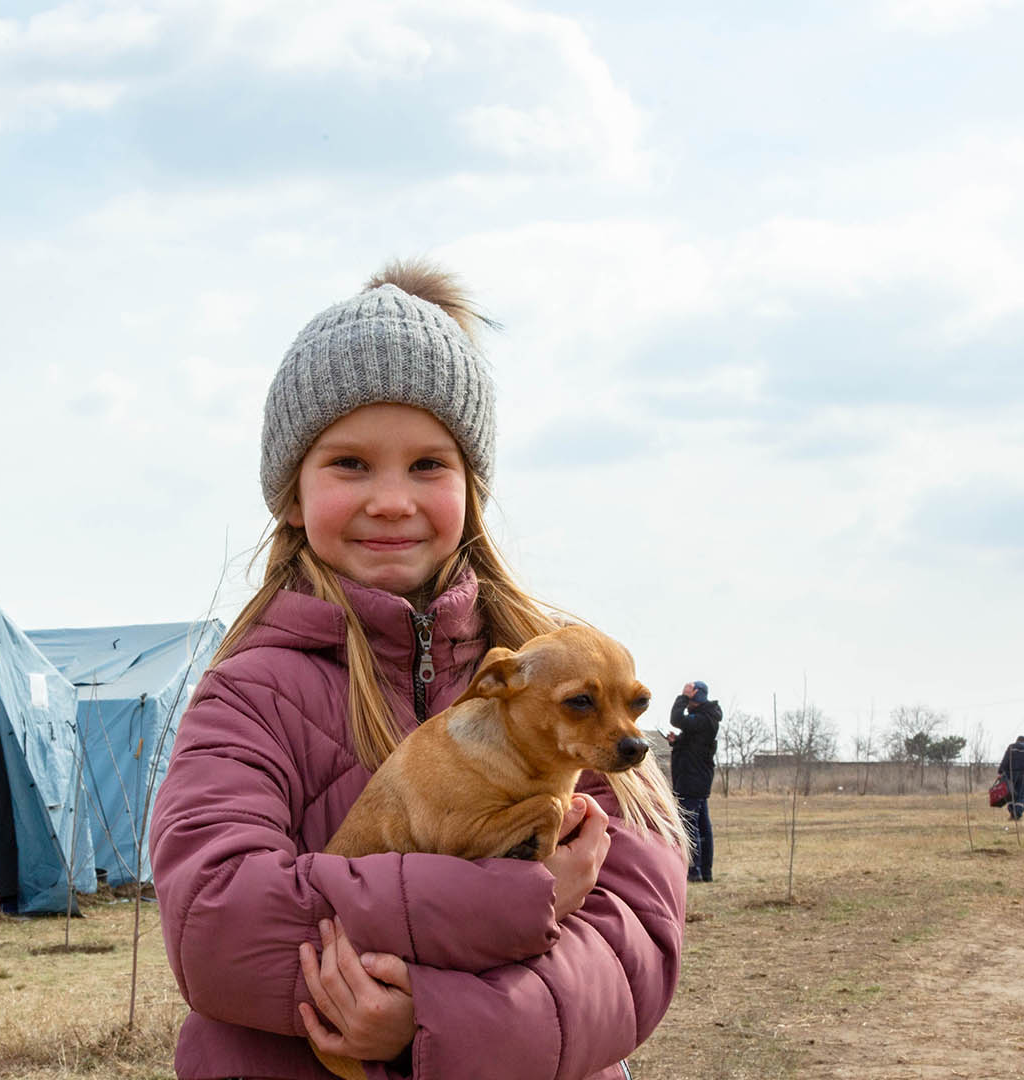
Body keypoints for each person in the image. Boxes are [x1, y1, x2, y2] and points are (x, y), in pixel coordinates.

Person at [149, 261, 690, 1080]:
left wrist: (432, 1022)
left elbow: (632, 949)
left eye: (429, 465)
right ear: (291, 495)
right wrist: (521, 901)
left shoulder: (566, 685)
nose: (393, 500)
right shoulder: (248, 696)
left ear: (473, 488)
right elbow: (217, 928)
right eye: (351, 464)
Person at [665, 681, 720, 882]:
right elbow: (694, 746)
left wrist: (683, 696)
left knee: (690, 825)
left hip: (692, 780)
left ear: (697, 695)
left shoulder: (705, 718)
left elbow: (676, 718)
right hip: (695, 778)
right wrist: (676, 742)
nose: (687, 701)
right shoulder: (705, 719)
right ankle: (705, 872)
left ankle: (694, 871)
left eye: (690, 696)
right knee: (702, 826)